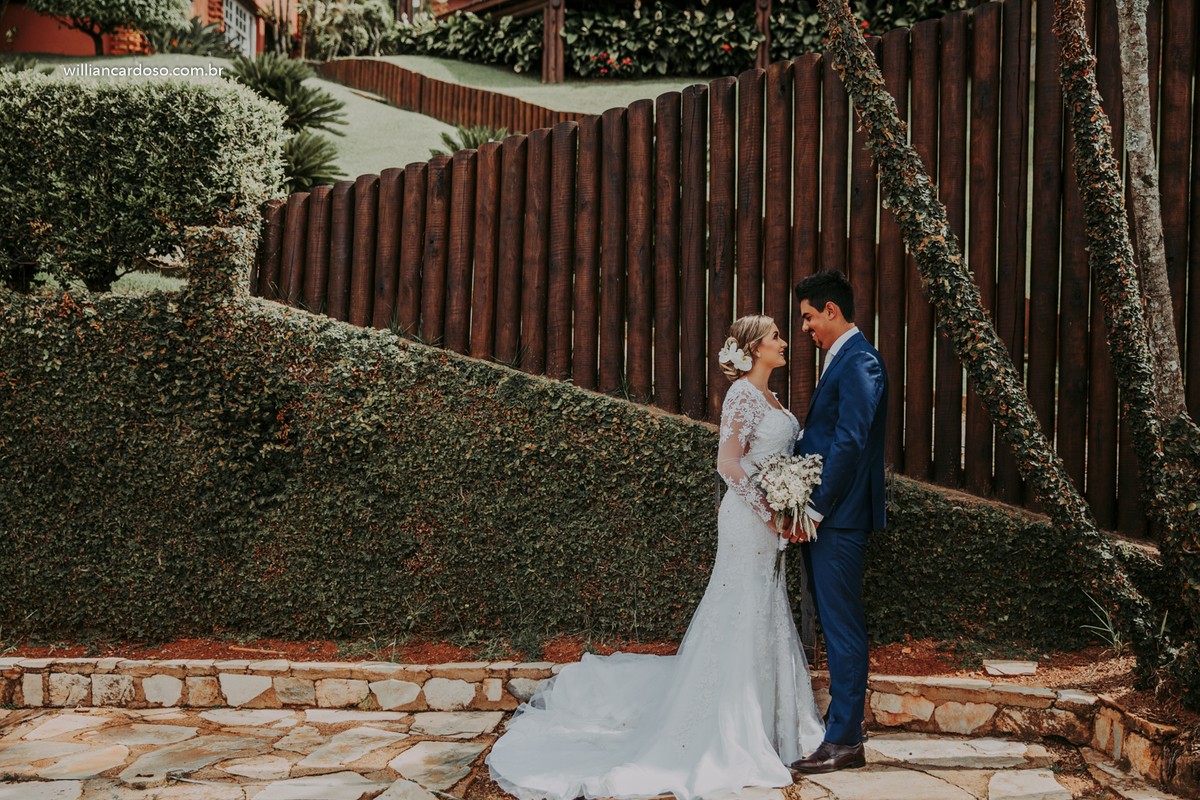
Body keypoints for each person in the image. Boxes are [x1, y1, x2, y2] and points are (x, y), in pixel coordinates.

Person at [486, 314, 825, 800]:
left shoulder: (772, 397)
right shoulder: (743, 396)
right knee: (739, 609)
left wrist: (789, 503)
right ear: (753, 349)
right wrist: (769, 512)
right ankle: (726, 728)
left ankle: (768, 725)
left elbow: (770, 461)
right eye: (775, 336)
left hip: (768, 521)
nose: (784, 342)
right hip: (746, 520)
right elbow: (727, 463)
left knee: (764, 609)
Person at [787, 270, 888, 775]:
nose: (804, 327)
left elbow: (850, 441)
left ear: (831, 310)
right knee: (833, 623)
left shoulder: (860, 360)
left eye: (807, 316)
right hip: (831, 518)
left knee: (842, 627)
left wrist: (816, 506)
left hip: (841, 520)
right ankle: (843, 731)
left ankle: (845, 739)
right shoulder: (840, 359)